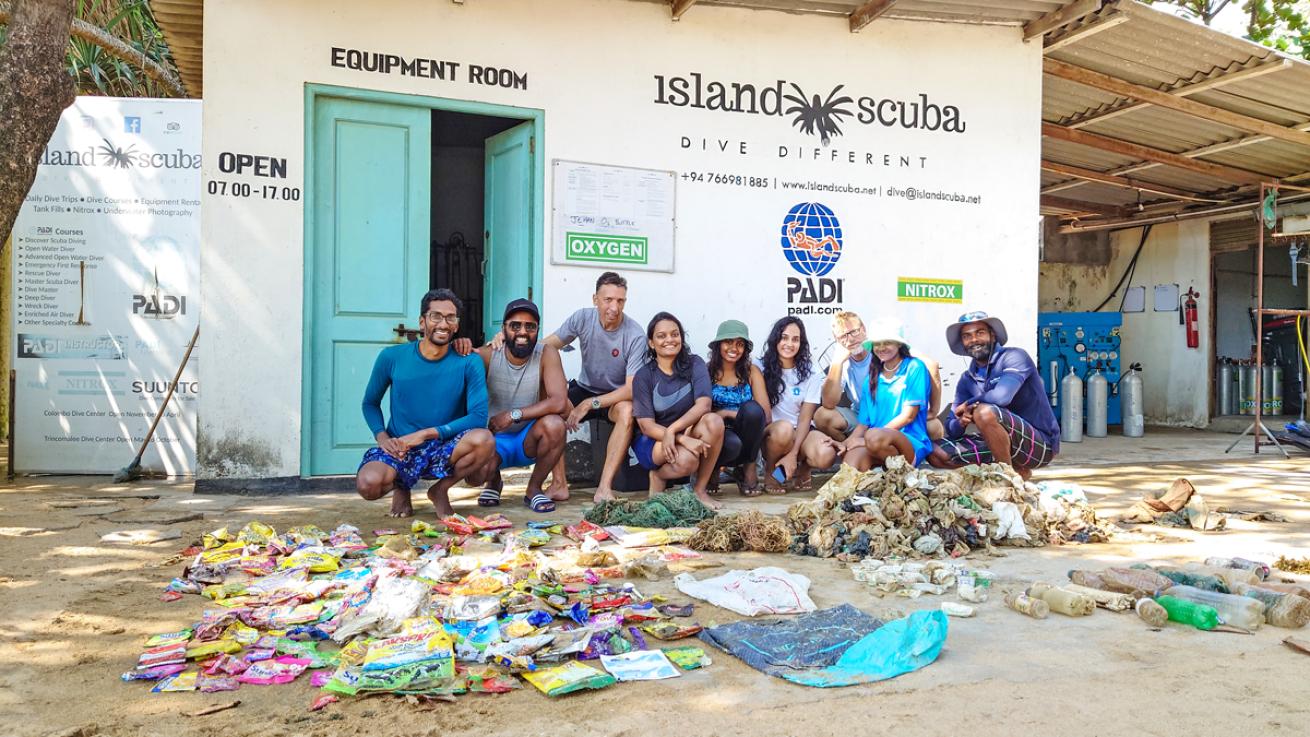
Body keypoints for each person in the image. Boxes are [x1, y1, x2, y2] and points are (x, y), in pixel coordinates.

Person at [355, 288, 495, 518]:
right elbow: (370, 403)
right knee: (368, 485)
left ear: (457, 326)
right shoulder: (391, 357)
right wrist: (383, 438)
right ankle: (402, 486)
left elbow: (479, 417)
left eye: (450, 318)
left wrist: (426, 434)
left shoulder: (469, 361)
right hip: (401, 446)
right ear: (422, 322)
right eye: (436, 316)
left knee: (484, 440)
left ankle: (440, 490)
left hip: (445, 446)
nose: (443, 323)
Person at [544, 271, 646, 503]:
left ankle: (604, 488)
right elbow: (547, 347)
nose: (614, 307)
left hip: (616, 395)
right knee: (554, 407)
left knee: (627, 411)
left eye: (620, 300)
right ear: (595, 299)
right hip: (584, 386)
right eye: (608, 299)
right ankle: (559, 484)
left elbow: (630, 389)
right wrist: (506, 341)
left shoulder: (635, 334)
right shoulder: (582, 318)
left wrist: (590, 404)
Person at [928, 311, 1060, 480]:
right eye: (967, 336)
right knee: (934, 452)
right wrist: (961, 421)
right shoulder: (967, 378)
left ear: (993, 335)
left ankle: (1006, 479)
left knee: (984, 412)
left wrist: (970, 404)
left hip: (1039, 444)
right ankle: (1015, 469)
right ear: (962, 342)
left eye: (980, 333)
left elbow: (1001, 398)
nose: (974, 340)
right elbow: (952, 429)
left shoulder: (1015, 357)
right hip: (997, 442)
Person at [475, 298, 569, 513]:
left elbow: (559, 401)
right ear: (503, 329)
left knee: (555, 424)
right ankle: (494, 482)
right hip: (493, 440)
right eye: (515, 325)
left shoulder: (547, 353)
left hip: (527, 438)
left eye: (530, 326)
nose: (522, 332)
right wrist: (459, 344)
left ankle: (533, 488)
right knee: (475, 475)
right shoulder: (487, 355)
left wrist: (513, 415)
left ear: (537, 329)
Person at [630, 312, 725, 509]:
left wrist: (675, 431)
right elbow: (646, 426)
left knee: (714, 421)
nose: (669, 340)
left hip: (684, 430)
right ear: (651, 343)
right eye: (661, 336)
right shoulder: (644, 376)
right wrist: (678, 437)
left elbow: (704, 404)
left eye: (675, 334)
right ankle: (657, 475)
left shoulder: (694, 364)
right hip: (653, 440)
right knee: (687, 461)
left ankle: (699, 490)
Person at [818, 311, 946, 442]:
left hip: (896, 414)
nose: (850, 339)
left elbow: (931, 365)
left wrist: (934, 411)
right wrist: (836, 363)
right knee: (822, 416)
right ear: (836, 340)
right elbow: (828, 403)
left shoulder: (882, 348)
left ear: (863, 329)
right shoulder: (842, 360)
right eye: (843, 336)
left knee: (933, 426)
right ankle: (851, 447)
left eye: (854, 332)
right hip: (862, 418)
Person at [838, 321, 932, 470]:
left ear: (899, 344)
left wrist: (866, 440)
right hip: (874, 443)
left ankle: (903, 472)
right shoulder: (871, 378)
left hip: (907, 443)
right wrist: (847, 443)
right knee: (849, 466)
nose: (881, 348)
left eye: (887, 342)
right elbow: (863, 424)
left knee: (874, 438)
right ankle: (881, 476)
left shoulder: (914, 367)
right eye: (877, 344)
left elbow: (908, 416)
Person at [759, 317, 838, 493]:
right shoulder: (760, 367)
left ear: (801, 343)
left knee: (825, 454)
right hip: (773, 436)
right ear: (775, 340)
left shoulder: (812, 372)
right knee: (784, 430)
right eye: (784, 337)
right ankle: (772, 472)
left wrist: (794, 454)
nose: (789, 344)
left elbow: (805, 418)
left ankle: (803, 468)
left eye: (795, 339)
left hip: (801, 432)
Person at [706, 320, 770, 496]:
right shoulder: (706, 371)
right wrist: (720, 416)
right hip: (718, 433)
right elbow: (700, 411)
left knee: (752, 409)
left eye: (740, 344)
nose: (734, 348)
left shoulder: (751, 371)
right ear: (719, 345)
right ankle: (712, 468)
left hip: (746, 432)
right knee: (731, 442)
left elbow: (765, 414)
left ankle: (748, 468)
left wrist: (727, 413)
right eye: (728, 342)